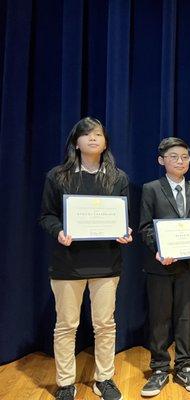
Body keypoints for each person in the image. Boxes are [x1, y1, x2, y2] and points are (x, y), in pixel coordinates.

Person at [39, 117, 133, 400]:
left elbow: (122, 217)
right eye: (87, 134)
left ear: (105, 143)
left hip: (106, 263)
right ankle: (65, 382)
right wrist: (59, 232)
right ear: (76, 142)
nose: (93, 138)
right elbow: (47, 215)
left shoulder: (118, 177)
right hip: (68, 262)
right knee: (67, 325)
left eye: (99, 134)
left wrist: (124, 231)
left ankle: (104, 378)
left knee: (105, 325)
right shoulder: (58, 175)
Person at [138, 137, 190, 396]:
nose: (180, 161)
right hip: (160, 265)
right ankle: (158, 368)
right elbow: (145, 227)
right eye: (173, 157)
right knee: (159, 317)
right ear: (162, 160)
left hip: (189, 267)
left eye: (184, 157)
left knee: (185, 316)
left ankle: (184, 366)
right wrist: (159, 250)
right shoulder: (150, 188)